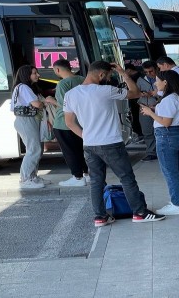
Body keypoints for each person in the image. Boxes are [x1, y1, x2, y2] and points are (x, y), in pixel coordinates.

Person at [64, 60, 165, 227]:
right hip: (111, 142)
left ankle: (100, 217)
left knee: (96, 181)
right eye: (108, 75)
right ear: (101, 74)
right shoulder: (106, 90)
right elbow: (135, 92)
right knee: (126, 178)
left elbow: (69, 122)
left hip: (89, 145)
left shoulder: (71, 94)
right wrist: (123, 73)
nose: (108, 78)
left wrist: (86, 136)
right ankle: (139, 212)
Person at [140, 70, 179, 215]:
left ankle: (176, 204)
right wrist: (154, 109)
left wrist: (150, 113)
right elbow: (171, 114)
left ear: (165, 82)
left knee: (170, 172)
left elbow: (166, 122)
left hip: (167, 136)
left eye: (157, 80)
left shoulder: (169, 99)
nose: (155, 83)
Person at [11, 65, 55, 189]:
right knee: (34, 149)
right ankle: (26, 179)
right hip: (27, 121)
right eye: (34, 73)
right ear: (26, 75)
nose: (38, 75)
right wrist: (44, 102)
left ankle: (32, 176)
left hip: (28, 120)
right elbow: (36, 104)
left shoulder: (22, 87)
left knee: (37, 149)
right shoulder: (24, 87)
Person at [51, 59, 88, 187]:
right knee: (80, 149)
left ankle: (77, 177)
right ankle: (87, 174)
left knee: (69, 151)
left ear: (57, 70)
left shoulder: (62, 84)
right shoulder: (82, 79)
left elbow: (63, 105)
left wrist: (51, 100)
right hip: (81, 122)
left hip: (64, 123)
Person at [137, 61, 159, 162]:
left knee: (160, 130)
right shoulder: (140, 80)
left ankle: (161, 150)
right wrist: (142, 94)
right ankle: (151, 152)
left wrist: (155, 95)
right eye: (146, 72)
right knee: (147, 131)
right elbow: (135, 93)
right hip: (144, 107)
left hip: (158, 107)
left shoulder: (161, 79)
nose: (149, 74)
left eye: (151, 71)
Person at [124, 64, 143, 138]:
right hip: (136, 101)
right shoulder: (140, 76)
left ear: (128, 70)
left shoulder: (134, 78)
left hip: (137, 101)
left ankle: (139, 134)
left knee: (136, 117)